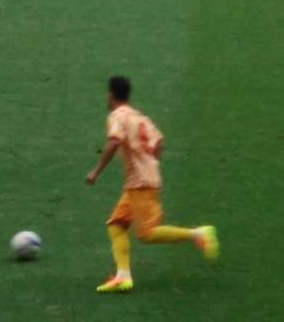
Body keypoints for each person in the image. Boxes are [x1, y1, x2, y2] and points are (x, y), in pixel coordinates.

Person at [86, 76, 220, 293]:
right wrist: (150, 164)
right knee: (116, 224)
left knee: (147, 233)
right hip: (142, 179)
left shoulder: (117, 116)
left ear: (110, 95)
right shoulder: (139, 117)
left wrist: (96, 171)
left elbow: (114, 141)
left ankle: (198, 234)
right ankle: (123, 276)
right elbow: (159, 141)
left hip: (140, 182)